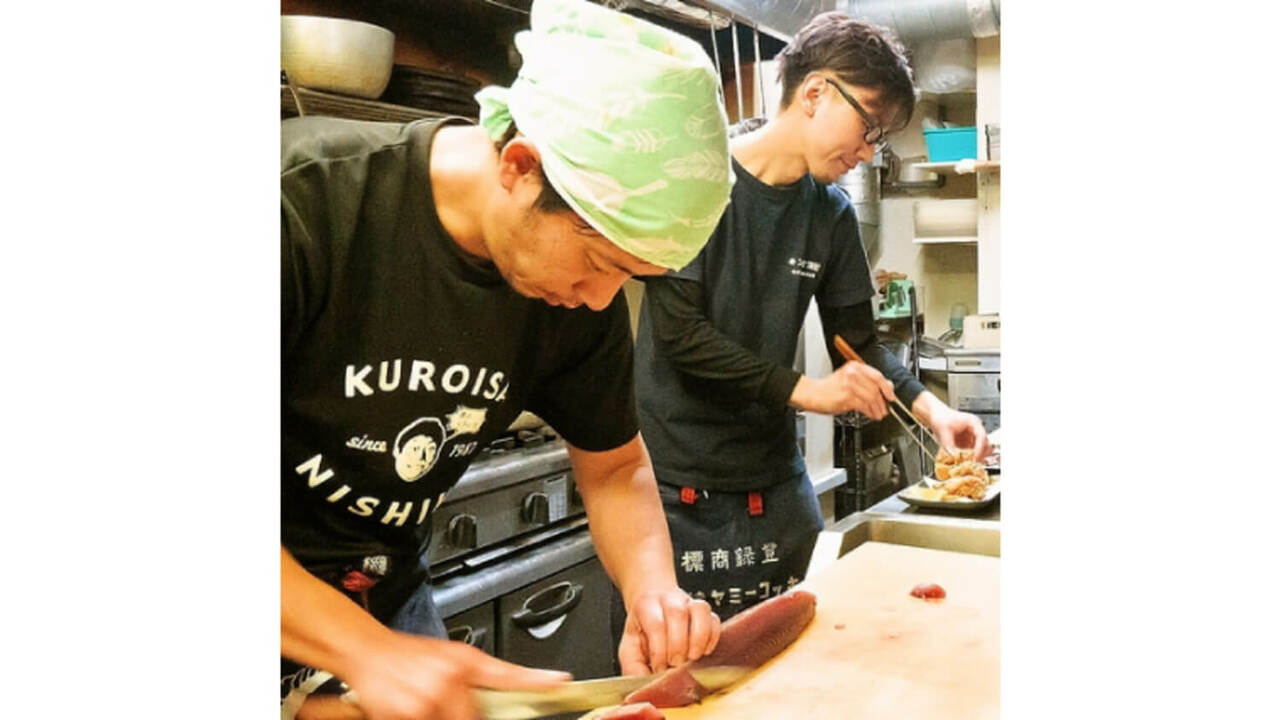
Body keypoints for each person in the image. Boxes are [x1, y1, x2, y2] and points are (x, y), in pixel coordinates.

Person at [279, 1, 736, 718]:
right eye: (597, 261)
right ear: (521, 166)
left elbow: (615, 466)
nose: (598, 300)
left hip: (385, 599)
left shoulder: (577, 299)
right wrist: (362, 655)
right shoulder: (301, 203)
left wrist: (653, 590)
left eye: (628, 276)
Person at [632, 12, 992, 621]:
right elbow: (681, 336)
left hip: (774, 481)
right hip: (676, 487)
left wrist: (934, 411)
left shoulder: (829, 214)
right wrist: (810, 391)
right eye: (869, 126)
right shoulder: (697, 179)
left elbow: (858, 342)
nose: (868, 150)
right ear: (816, 92)